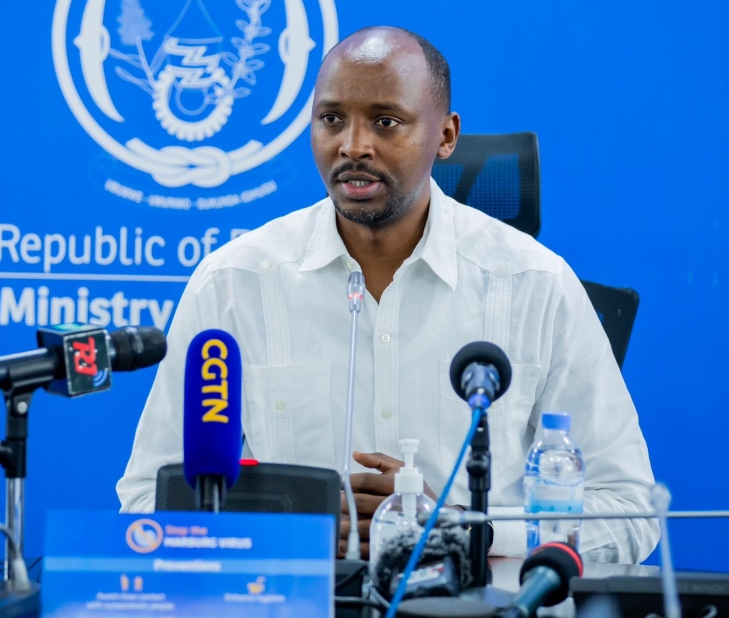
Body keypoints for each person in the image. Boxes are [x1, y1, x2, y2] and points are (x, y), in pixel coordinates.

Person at [116, 26, 658, 563]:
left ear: (446, 137)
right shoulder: (233, 284)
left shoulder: (536, 285)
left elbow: (630, 512)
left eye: (386, 122)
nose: (352, 146)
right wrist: (290, 532)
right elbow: (147, 503)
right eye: (332, 119)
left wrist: (468, 531)